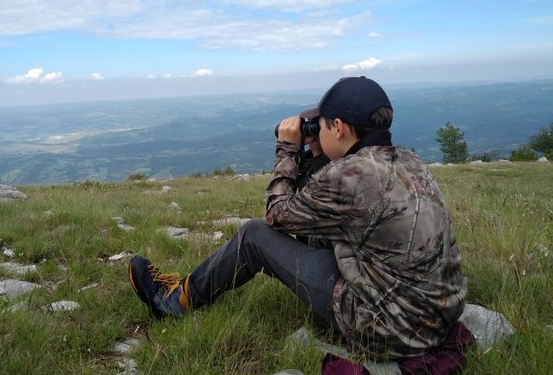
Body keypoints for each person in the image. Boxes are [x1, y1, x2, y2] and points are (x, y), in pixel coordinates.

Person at [129, 76, 467, 359]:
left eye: (319, 126)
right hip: (439, 317)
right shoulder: (410, 162)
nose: (314, 132)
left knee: (254, 236)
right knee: (315, 232)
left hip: (388, 330)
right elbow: (322, 206)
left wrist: (287, 150)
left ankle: (174, 301)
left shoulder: (349, 174)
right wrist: (317, 155)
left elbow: (277, 215)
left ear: (338, 127)